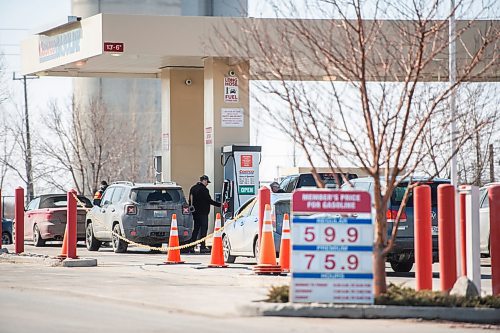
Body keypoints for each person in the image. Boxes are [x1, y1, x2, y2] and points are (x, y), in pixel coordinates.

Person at [188, 175, 221, 253]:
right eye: (207, 182)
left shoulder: (193, 188)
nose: (207, 184)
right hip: (203, 213)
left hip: (195, 213)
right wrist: (219, 204)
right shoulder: (204, 190)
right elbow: (208, 200)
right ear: (204, 181)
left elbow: (190, 200)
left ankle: (191, 246)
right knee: (203, 229)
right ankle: (202, 246)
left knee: (196, 229)